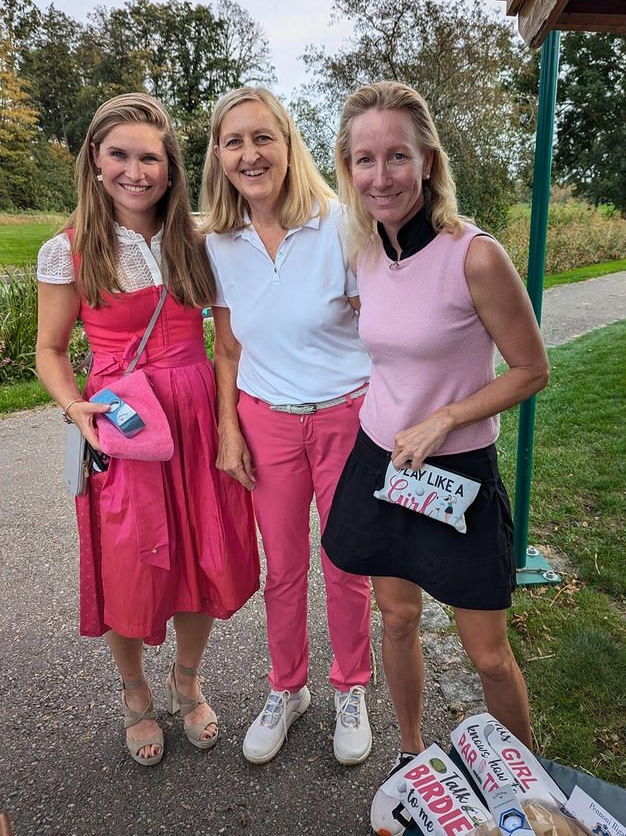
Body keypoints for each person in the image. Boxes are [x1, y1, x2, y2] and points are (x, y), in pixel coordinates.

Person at [321, 81, 550, 836]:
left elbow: (530, 368)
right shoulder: (364, 250)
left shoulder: (473, 254)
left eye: (396, 156)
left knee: (487, 655)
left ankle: (526, 785)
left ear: (428, 162)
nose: (380, 174)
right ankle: (414, 752)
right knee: (395, 617)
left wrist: (445, 416)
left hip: (456, 476)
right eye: (364, 158)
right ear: (347, 168)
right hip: (384, 465)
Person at [36, 93, 260, 766]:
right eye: (120, 155)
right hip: (125, 424)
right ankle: (135, 692)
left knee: (205, 554)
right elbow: (49, 349)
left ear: (171, 169)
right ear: (96, 162)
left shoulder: (199, 238)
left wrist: (232, 423)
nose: (136, 170)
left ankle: (186, 681)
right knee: (129, 563)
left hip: (197, 415)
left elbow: (230, 339)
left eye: (150, 158)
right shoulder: (68, 249)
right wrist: (74, 405)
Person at [201, 86, 373, 766]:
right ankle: (288, 686)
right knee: (284, 567)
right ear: (219, 155)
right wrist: (227, 428)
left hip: (345, 419)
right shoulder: (219, 239)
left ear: (288, 143)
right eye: (234, 141)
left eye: (262, 137)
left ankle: (352, 686)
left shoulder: (338, 223)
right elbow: (228, 347)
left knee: (345, 562)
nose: (250, 153)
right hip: (266, 422)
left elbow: (378, 328)